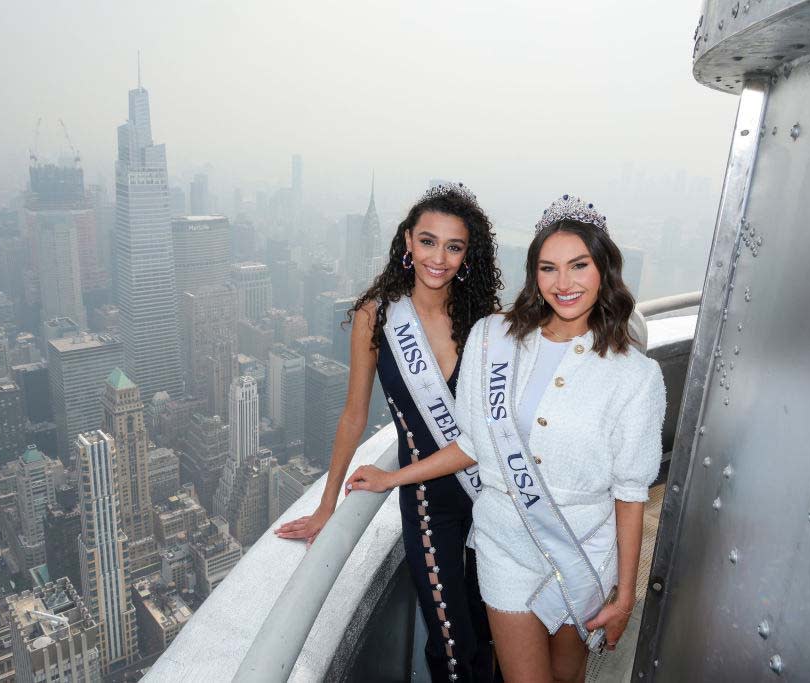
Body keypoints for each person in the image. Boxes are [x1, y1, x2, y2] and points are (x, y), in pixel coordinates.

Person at [346, 195, 666, 683]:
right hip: (505, 548)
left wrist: (624, 595)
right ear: (534, 275)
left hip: (582, 550)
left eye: (579, 266)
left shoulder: (637, 377)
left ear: (603, 270)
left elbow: (630, 492)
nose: (564, 283)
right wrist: (393, 479)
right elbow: (473, 442)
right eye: (548, 268)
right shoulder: (496, 339)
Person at [276, 182, 503, 682]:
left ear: (468, 255)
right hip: (427, 503)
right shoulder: (376, 315)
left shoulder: (483, 320)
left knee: (493, 633)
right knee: (452, 648)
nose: (438, 257)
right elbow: (354, 415)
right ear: (407, 242)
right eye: (427, 241)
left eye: (453, 246)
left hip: (492, 496)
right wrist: (327, 505)